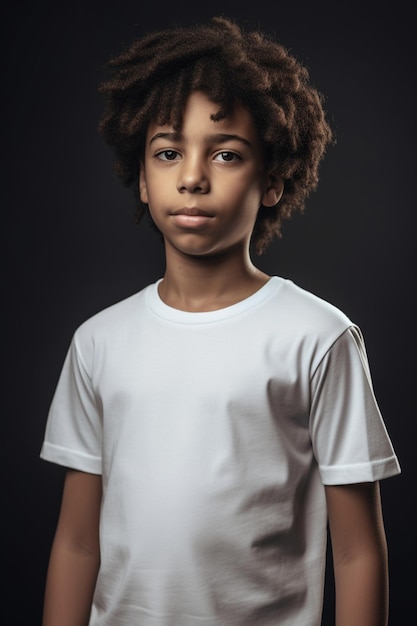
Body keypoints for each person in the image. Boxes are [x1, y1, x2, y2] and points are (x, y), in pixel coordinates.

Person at [40, 15, 401, 626]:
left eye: (227, 154)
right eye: (169, 152)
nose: (192, 177)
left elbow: (358, 551)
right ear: (143, 179)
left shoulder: (318, 337)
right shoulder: (98, 341)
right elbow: (77, 542)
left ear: (274, 180)